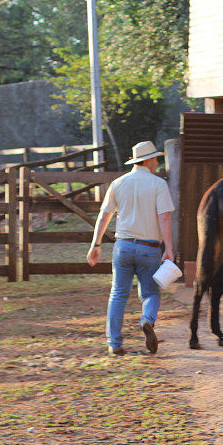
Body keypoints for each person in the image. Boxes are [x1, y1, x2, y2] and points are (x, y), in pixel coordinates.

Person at [87, 141, 175, 356]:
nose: (157, 161)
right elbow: (164, 217)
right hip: (149, 248)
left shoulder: (118, 183)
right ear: (147, 160)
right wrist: (169, 248)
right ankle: (147, 320)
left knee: (118, 295)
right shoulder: (158, 184)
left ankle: (114, 343)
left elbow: (105, 215)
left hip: (123, 247)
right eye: (155, 158)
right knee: (150, 293)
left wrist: (95, 244)